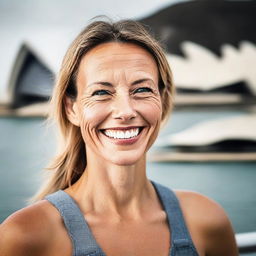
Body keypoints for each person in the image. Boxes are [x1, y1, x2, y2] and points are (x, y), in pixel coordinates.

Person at [0, 18, 238, 256]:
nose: (125, 111)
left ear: (163, 101)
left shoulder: (206, 221)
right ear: (72, 109)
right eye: (101, 92)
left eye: (142, 90)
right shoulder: (24, 236)